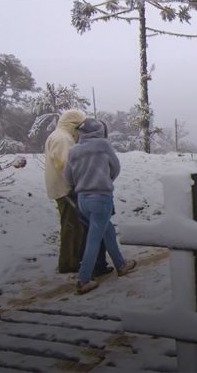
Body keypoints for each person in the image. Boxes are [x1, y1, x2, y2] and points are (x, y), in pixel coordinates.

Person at [63, 118, 136, 294]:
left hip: (82, 199)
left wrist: (82, 183)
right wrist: (105, 180)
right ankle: (84, 279)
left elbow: (68, 176)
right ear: (98, 131)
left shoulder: (74, 151)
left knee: (107, 230)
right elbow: (116, 168)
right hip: (101, 198)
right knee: (94, 239)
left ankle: (121, 264)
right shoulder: (103, 146)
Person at [44, 109, 110, 275]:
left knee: (75, 225)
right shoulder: (63, 138)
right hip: (65, 188)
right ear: (73, 125)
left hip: (64, 187)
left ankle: (75, 260)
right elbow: (66, 164)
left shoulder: (60, 135)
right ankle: (68, 263)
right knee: (71, 226)